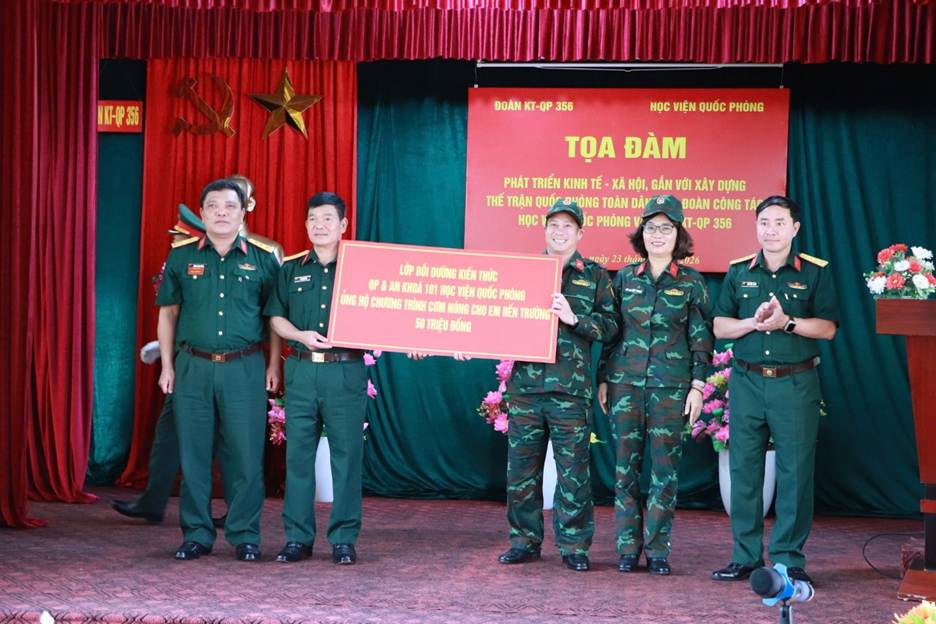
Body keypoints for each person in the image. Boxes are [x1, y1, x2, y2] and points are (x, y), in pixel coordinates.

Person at [710, 195, 838, 585]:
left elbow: (828, 328)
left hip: (795, 384)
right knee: (744, 470)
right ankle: (745, 555)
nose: (771, 230)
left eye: (780, 223)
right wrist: (753, 322)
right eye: (764, 222)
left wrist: (787, 323)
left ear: (794, 228)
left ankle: (788, 558)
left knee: (795, 473)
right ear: (756, 226)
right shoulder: (738, 271)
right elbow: (720, 326)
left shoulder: (814, 272)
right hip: (747, 381)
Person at [155, 178, 280, 561]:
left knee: (246, 456)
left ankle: (245, 536)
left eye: (229, 206)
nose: (221, 212)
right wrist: (167, 366)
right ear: (202, 213)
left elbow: (274, 318)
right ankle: (196, 534)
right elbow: (168, 314)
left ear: (243, 211)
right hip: (192, 366)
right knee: (194, 455)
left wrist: (274, 364)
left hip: (245, 367)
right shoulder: (181, 257)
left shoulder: (263, 258)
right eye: (213, 206)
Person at [497, 199, 618, 572]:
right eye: (554, 225)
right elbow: (499, 317)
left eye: (568, 226)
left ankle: (574, 546)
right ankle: (524, 541)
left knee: (573, 473)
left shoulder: (595, 276)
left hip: (570, 392)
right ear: (544, 229)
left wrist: (574, 318)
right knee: (521, 473)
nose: (560, 232)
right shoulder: (525, 272)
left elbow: (611, 327)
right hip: (526, 390)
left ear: (580, 233)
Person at [597, 195, 713, 576]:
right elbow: (611, 333)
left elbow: (701, 339)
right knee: (624, 471)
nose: (657, 235)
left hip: (670, 390)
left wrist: (698, 386)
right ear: (641, 233)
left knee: (665, 473)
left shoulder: (692, 282)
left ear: (678, 234)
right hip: (625, 386)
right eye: (650, 228)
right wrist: (602, 377)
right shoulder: (625, 278)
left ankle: (658, 550)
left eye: (665, 228)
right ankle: (627, 548)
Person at [265, 192, 368, 565]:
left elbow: (387, 311)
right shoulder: (290, 269)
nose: (319, 225)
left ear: (343, 225)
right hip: (302, 370)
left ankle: (343, 539)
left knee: (347, 457)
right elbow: (276, 318)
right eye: (313, 219)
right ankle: (297, 538)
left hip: (345, 371)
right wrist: (299, 335)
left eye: (327, 219)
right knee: (298, 456)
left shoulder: (363, 269)